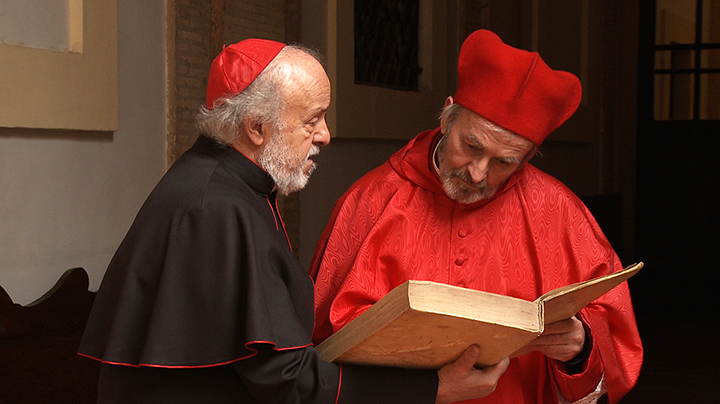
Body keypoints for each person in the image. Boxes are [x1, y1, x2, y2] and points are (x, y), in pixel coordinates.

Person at [78, 38, 509, 404]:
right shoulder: (219, 208)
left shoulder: (224, 184)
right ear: (256, 128)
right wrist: (432, 388)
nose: (325, 134)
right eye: (312, 120)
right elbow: (287, 378)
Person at [310, 29, 643, 404]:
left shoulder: (558, 211)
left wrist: (580, 347)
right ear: (448, 116)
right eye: (471, 145)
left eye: (504, 162)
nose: (478, 173)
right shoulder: (371, 200)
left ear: (527, 158)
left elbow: (614, 337)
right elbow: (320, 343)